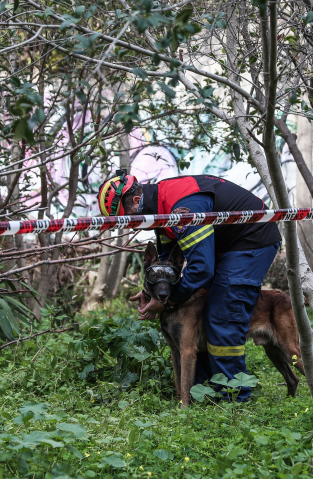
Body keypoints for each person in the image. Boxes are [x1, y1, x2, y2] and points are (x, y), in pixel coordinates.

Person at [97, 170, 281, 402]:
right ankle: (201, 394)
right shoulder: (160, 210)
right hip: (223, 244)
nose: (132, 227)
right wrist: (150, 292)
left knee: (222, 314)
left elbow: (202, 268)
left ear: (136, 200)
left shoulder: (183, 207)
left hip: (252, 239)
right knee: (199, 314)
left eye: (130, 219)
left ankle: (235, 400)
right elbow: (166, 264)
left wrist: (169, 301)